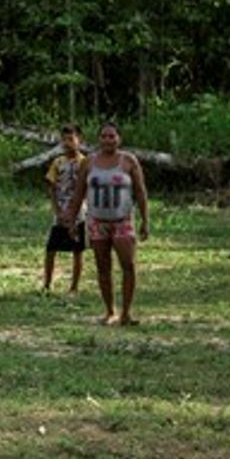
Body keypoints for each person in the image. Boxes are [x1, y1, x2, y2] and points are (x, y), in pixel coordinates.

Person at [82, 122, 149, 326]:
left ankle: (126, 313)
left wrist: (146, 220)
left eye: (112, 136)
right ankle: (110, 311)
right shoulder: (88, 162)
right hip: (97, 221)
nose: (108, 140)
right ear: (98, 139)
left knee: (128, 265)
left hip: (123, 221)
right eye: (104, 136)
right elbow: (78, 192)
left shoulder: (129, 161)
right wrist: (70, 217)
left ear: (119, 139)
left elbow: (140, 191)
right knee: (103, 267)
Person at [41, 125, 86, 293]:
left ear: (80, 141)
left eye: (71, 139)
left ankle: (74, 287)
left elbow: (86, 188)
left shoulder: (84, 163)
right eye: (64, 139)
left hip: (79, 212)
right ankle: (47, 284)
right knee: (51, 248)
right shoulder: (58, 162)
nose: (67, 143)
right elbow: (52, 188)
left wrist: (77, 209)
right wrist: (58, 210)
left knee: (77, 250)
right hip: (61, 210)